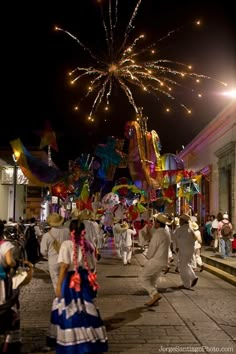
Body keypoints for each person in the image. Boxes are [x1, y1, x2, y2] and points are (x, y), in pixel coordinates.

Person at [46, 219, 108, 354]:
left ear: (70, 230)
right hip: (84, 279)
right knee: (85, 307)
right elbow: (92, 266)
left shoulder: (67, 245)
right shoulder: (88, 245)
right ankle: (91, 337)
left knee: (70, 308)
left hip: (71, 280)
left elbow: (64, 266)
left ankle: (73, 341)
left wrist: (58, 285)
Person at [139, 213, 171, 306]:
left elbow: (152, 248)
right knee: (152, 280)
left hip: (156, 260)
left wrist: (148, 256)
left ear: (158, 223)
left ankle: (154, 294)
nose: (154, 224)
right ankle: (154, 299)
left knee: (143, 278)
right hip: (163, 261)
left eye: (155, 222)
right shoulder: (166, 233)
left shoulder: (158, 234)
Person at [40, 213, 70, 293]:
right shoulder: (67, 232)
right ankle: (66, 297)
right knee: (66, 280)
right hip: (66, 260)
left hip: (53, 261)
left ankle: (59, 298)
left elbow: (43, 251)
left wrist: (48, 256)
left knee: (56, 282)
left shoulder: (47, 235)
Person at [175, 214, 198, 290]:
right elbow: (195, 239)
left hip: (183, 250)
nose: (180, 222)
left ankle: (189, 281)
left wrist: (178, 246)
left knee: (183, 267)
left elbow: (173, 237)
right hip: (190, 250)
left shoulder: (180, 229)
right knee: (186, 265)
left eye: (180, 220)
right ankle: (189, 281)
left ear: (183, 221)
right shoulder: (190, 229)